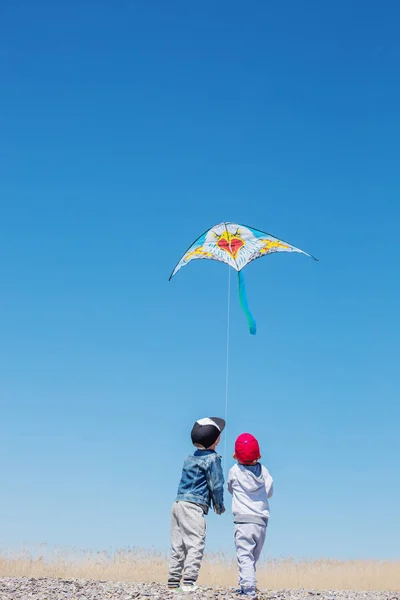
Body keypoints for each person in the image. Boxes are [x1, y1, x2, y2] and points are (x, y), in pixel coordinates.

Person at [168, 417, 226, 593]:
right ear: (216, 439)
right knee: (195, 542)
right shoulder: (213, 459)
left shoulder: (189, 458)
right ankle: (189, 581)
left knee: (178, 544)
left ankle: (173, 581)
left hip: (178, 503)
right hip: (193, 506)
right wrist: (219, 505)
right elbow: (216, 484)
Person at [227, 433, 274, 597]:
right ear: (259, 455)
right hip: (261, 522)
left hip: (243, 521)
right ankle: (247, 583)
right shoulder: (264, 471)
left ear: (235, 455)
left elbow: (230, 488)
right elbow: (269, 491)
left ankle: (248, 589)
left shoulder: (234, 471)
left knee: (244, 556)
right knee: (253, 557)